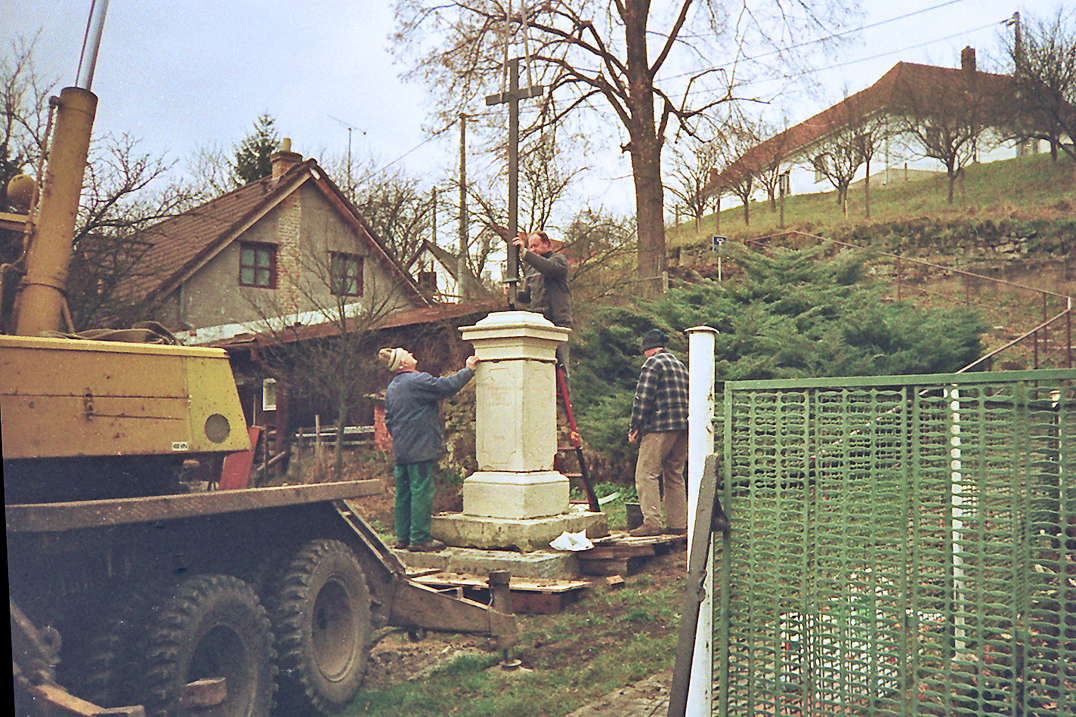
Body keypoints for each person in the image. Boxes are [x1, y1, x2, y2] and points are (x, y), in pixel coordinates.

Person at [379, 347, 479, 552]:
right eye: (406, 353)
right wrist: (468, 370)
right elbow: (446, 386)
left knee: (403, 493)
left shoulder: (392, 388)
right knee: (421, 491)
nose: (411, 353)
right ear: (403, 364)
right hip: (420, 450)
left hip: (402, 450)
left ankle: (402, 538)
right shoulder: (416, 381)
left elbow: (388, 421)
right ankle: (420, 538)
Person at [627, 329, 690, 537]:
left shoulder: (653, 364)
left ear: (648, 348)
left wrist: (635, 426)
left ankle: (652, 522)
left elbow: (642, 398)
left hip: (659, 427)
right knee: (674, 474)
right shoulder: (679, 365)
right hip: (682, 428)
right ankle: (678, 524)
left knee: (646, 473)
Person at [512, 230, 572, 371]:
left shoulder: (559, 260)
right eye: (530, 247)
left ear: (546, 244)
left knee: (561, 368)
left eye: (535, 246)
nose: (533, 250)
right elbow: (527, 296)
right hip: (540, 323)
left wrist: (526, 253)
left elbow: (548, 268)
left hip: (558, 323)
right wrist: (513, 293)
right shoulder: (532, 270)